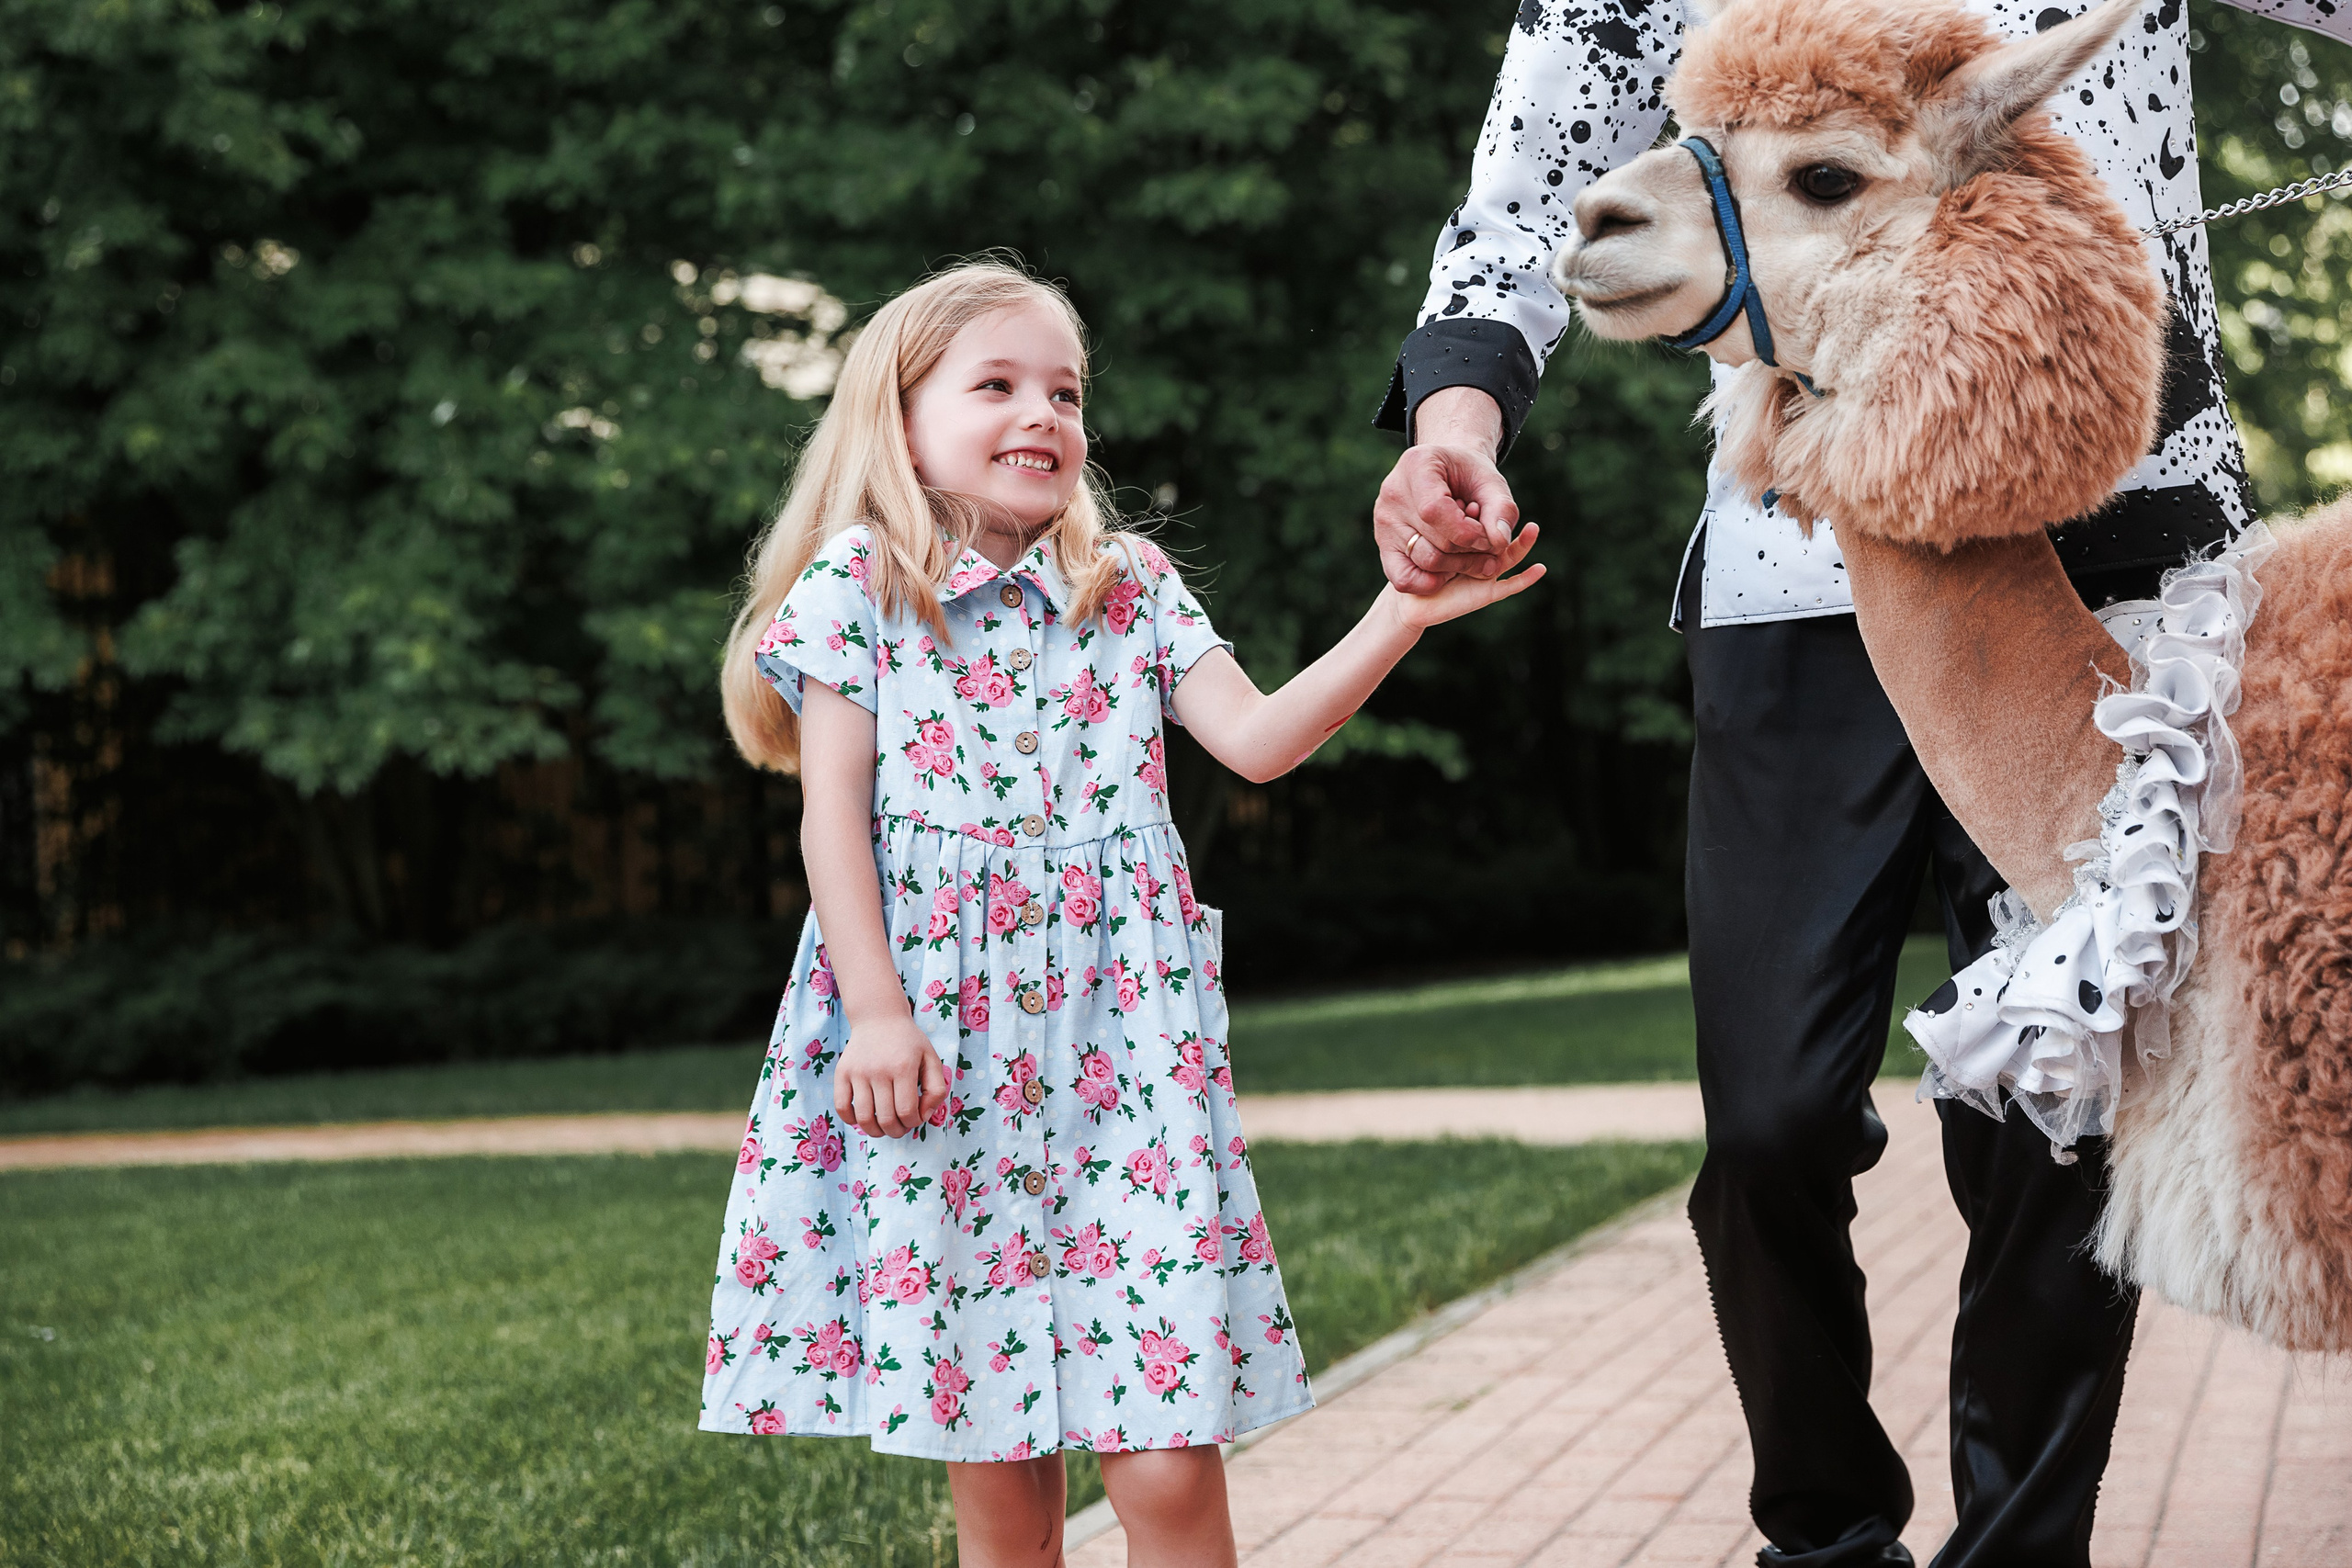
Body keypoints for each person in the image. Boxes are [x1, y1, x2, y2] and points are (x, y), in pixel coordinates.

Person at [1373, 4, 2352, 1567]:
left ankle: (2019, 1554)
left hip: (2120, 548)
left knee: (2056, 1135)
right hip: (1800, 563)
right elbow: (1529, 183)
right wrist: (1455, 416)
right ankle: (1824, 1541)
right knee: (1767, 1123)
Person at [700, 259, 1541, 1567]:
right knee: (1001, 1477)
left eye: (1066, 392)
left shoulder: (1128, 587)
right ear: (900, 419)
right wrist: (873, 1011)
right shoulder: (862, 583)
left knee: (1163, 1460)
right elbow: (831, 819)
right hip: (937, 1063)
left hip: (1123, 1072)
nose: (1045, 413)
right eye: (999, 385)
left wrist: (1404, 610)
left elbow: (1259, 741)